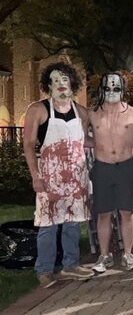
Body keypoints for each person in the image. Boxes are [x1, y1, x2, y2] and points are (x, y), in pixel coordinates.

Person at [23, 63, 94, 286]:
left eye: (65, 80)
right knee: (48, 223)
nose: (61, 84)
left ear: (72, 83)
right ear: (48, 84)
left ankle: (70, 265)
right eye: (55, 80)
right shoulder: (38, 110)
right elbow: (28, 145)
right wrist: (35, 176)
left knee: (72, 223)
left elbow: (84, 140)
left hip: (76, 177)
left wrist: (112, 143)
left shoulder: (81, 112)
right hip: (49, 177)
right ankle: (44, 270)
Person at [88, 72, 133, 274]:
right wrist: (97, 144)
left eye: (116, 88)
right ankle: (104, 255)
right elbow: (79, 135)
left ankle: (128, 254)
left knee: (127, 212)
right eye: (107, 88)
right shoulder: (92, 114)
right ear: (101, 89)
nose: (111, 91)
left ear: (123, 90)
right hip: (102, 166)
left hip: (126, 165)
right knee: (103, 213)